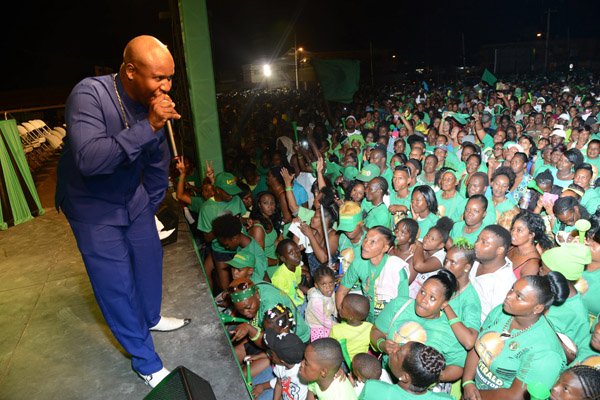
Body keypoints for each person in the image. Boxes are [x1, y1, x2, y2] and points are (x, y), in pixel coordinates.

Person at [55, 35, 189, 387]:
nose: (166, 86)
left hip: (132, 198)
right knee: (116, 284)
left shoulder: (153, 104)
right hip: (91, 205)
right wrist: (150, 125)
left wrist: (150, 203)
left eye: (170, 78)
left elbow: (159, 161)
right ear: (130, 71)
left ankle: (150, 316)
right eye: (158, 77)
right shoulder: (90, 95)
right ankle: (145, 361)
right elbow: (90, 159)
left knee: (148, 261)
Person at [462, 273, 569, 399]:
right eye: (512, 288)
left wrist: (473, 396)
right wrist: (468, 382)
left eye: (519, 297)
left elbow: (516, 396)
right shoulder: (502, 312)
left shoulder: (546, 352)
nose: (509, 296)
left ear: (538, 308)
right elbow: (478, 344)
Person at [370, 270, 467, 383]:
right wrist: (381, 344)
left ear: (444, 304)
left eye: (432, 298)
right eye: (422, 292)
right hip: (386, 377)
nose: (423, 300)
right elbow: (376, 331)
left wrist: (428, 376)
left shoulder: (449, 331)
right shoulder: (399, 305)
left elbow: (458, 367)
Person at [337, 226, 410, 322]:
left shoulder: (396, 269)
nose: (365, 244)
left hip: (389, 320)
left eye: (373, 242)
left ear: (385, 248)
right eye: (365, 239)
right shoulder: (358, 263)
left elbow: (402, 305)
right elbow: (341, 292)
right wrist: (343, 315)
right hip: (367, 319)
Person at [358, 342, 452, 399]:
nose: (394, 349)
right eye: (400, 346)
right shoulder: (447, 398)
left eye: (398, 353)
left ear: (404, 377)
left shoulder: (373, 389)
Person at [470, 225, 516, 322]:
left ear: (500, 250)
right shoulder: (477, 260)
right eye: (477, 239)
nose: (476, 245)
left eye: (484, 242)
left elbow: (496, 322)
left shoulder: (504, 284)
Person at [251, 329, 308, 400]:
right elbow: (279, 383)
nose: (269, 355)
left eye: (271, 354)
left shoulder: (303, 377)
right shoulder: (279, 366)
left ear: (282, 360)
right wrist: (263, 386)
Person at [330, 294, 373, 364]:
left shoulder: (337, 330)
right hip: (361, 363)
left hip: (344, 362)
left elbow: (332, 348)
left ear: (350, 317)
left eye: (342, 307)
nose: (339, 307)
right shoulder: (370, 327)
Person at [271, 239, 309, 315]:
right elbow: (281, 301)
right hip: (291, 308)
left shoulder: (296, 266)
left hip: (300, 300)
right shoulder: (279, 278)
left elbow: (296, 285)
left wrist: (312, 292)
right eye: (291, 253)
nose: (297, 255)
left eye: (297, 250)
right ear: (283, 258)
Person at [305, 266, 338, 341]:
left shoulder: (331, 293)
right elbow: (323, 320)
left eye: (331, 283)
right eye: (324, 284)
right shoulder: (316, 301)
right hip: (316, 325)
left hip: (327, 320)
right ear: (316, 286)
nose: (328, 287)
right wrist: (339, 326)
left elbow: (334, 307)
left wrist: (338, 316)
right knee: (324, 345)